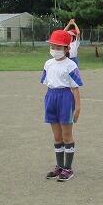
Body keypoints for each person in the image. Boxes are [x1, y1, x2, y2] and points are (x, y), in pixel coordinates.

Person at [41, 30, 83, 182]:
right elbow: (47, 82)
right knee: (57, 136)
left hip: (65, 98)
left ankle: (68, 168)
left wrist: (77, 107)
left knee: (66, 135)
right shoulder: (48, 64)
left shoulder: (71, 65)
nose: (55, 50)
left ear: (67, 48)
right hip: (51, 96)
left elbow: (75, 88)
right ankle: (59, 166)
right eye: (53, 46)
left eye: (59, 47)